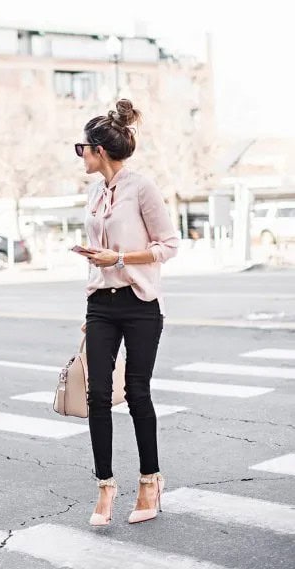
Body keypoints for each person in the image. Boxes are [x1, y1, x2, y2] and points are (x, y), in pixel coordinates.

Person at [74, 99, 179, 526]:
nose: (80, 155)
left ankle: (150, 481)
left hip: (139, 305)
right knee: (97, 395)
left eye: (82, 148)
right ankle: (105, 488)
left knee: (137, 394)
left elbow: (168, 245)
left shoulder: (142, 188)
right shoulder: (95, 192)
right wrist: (99, 271)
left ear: (100, 150)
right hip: (100, 303)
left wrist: (118, 260)